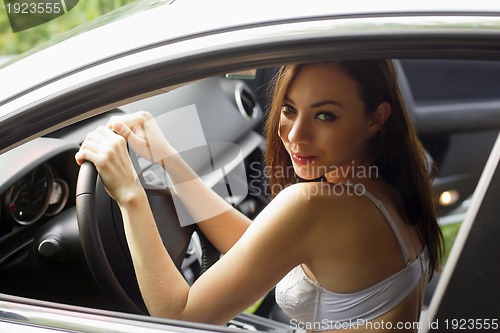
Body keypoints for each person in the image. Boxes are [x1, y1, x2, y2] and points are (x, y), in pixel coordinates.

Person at [75, 59, 443, 332]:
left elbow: (180, 318)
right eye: (289, 109)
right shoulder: (396, 180)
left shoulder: (315, 206)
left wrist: (129, 194)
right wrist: (169, 160)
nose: (296, 135)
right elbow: (262, 245)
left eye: (326, 116)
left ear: (376, 118)